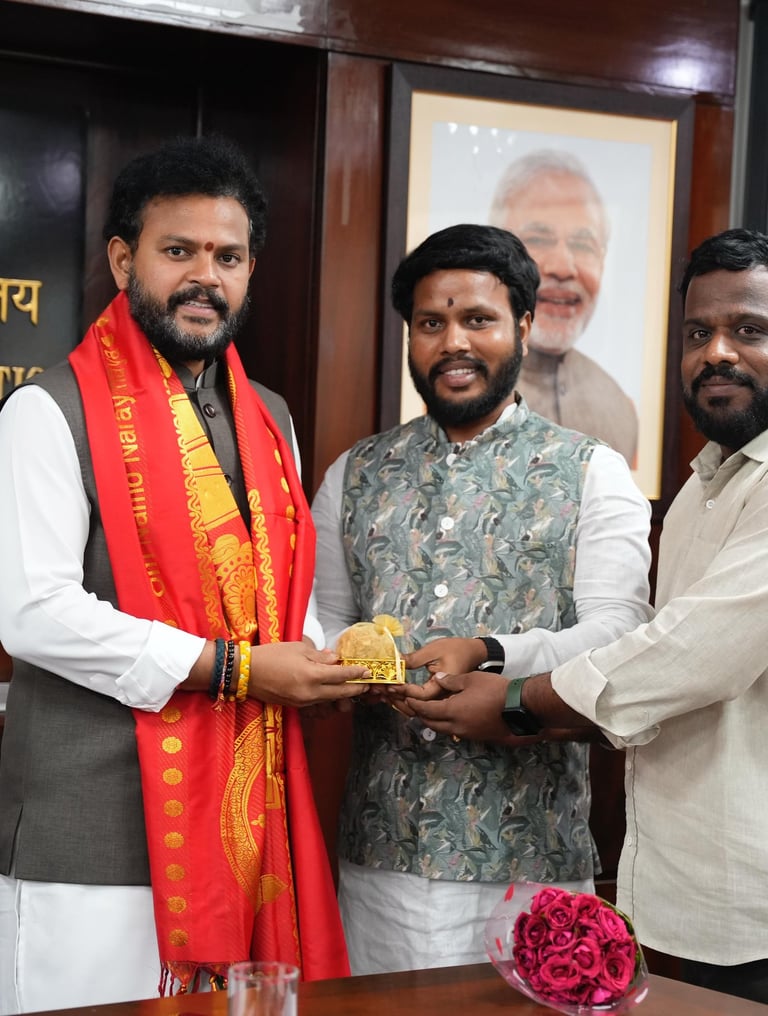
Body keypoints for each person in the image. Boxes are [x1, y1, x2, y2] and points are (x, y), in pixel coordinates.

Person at [0, 135, 371, 1014]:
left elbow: (279, 593)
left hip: (244, 824)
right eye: (179, 251)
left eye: (228, 257)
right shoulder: (46, 411)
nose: (206, 277)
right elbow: (33, 612)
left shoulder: (269, 416)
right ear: (123, 260)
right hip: (94, 833)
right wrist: (240, 670)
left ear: (250, 272)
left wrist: (319, 660)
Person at [404, 227, 768, 1004]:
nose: (717, 354)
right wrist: (496, 659)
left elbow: (687, 658)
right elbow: (656, 660)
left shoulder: (601, 469)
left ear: (522, 328)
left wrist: (514, 702)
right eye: (697, 333)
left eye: (749, 330)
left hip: (753, 909)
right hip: (680, 896)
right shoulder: (707, 486)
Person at [311, 223, 653, 975]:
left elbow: (619, 634)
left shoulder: (591, 471)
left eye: (478, 319)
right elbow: (324, 620)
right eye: (431, 323)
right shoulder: (355, 474)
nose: (453, 343)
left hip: (532, 863)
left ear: (524, 326)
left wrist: (491, 654)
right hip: (381, 855)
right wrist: (344, 666)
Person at [489, 150, 638, 464]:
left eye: (583, 244)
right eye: (539, 239)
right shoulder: (458, 390)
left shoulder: (619, 409)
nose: (562, 267)